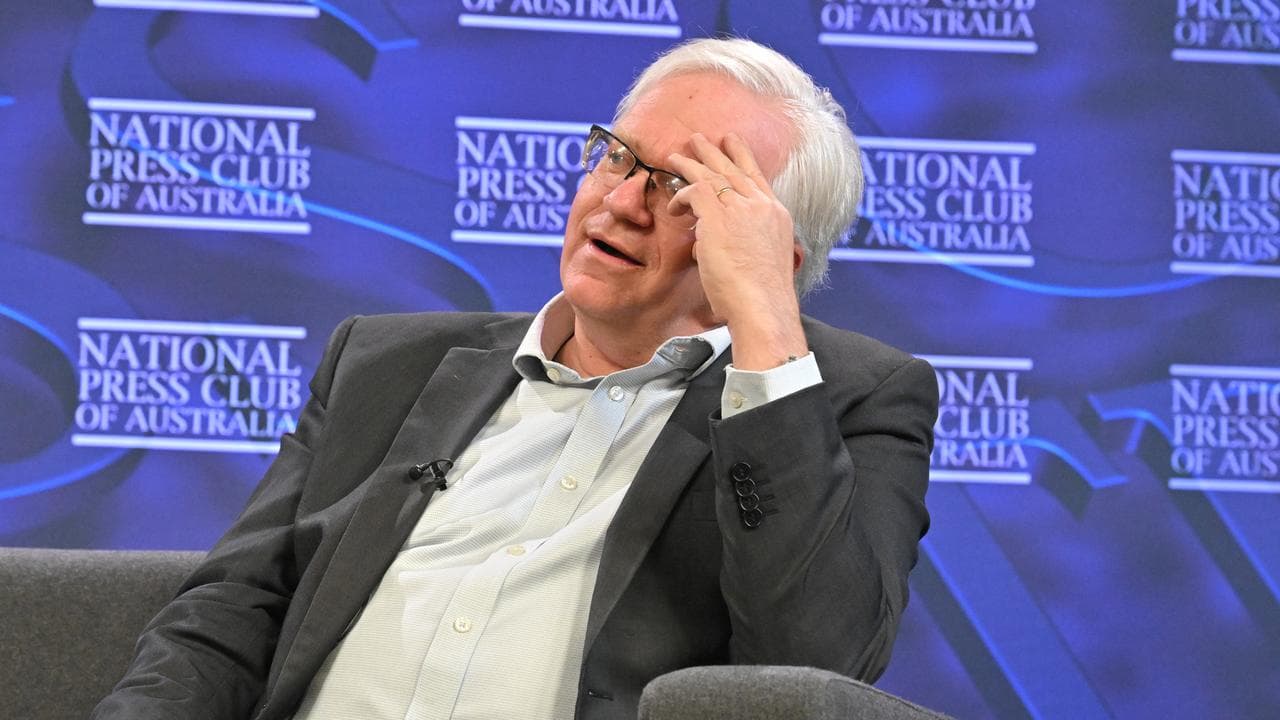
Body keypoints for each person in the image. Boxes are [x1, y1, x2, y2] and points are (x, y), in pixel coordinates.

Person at [93, 37, 938, 720]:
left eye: (681, 189)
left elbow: (812, 668)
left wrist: (768, 332)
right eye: (617, 158)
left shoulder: (851, 401)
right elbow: (227, 616)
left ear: (768, 253)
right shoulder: (382, 364)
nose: (621, 203)